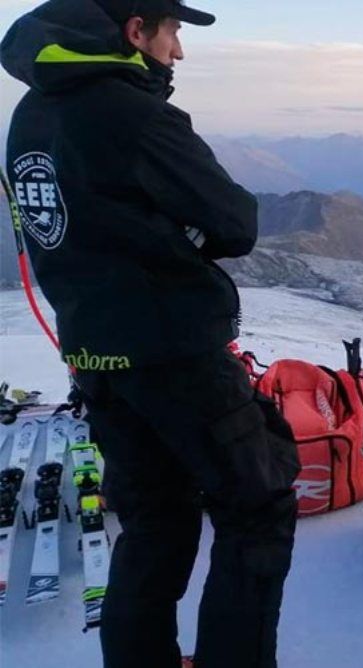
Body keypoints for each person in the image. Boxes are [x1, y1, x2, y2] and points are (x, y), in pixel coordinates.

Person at [2, 2, 299, 667]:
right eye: (172, 33)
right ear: (135, 31)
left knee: (155, 520)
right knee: (258, 506)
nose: (179, 53)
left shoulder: (29, 116)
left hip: (95, 356)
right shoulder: (133, 115)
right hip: (177, 353)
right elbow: (236, 221)